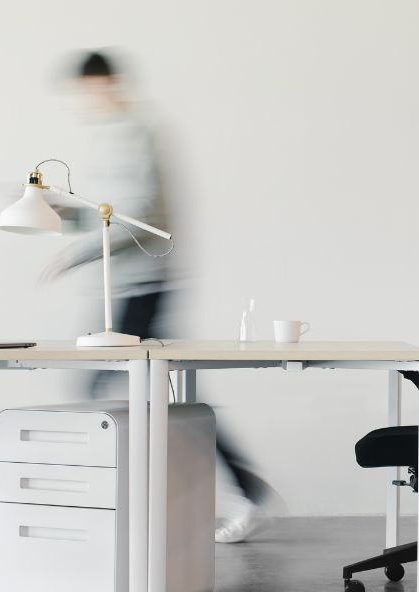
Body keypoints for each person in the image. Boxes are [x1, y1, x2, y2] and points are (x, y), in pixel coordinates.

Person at [47, 50, 274, 542]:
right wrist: (70, 220)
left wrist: (80, 253)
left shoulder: (135, 133)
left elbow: (141, 218)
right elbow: (113, 213)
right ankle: (238, 488)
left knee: (116, 393)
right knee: (157, 394)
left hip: (143, 283)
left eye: (90, 88)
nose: (85, 99)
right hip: (129, 285)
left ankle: (137, 504)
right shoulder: (114, 136)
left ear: (109, 83)